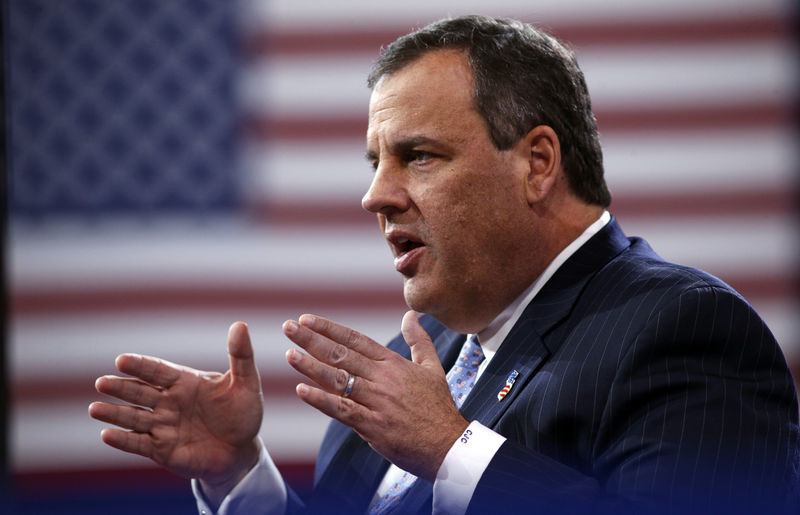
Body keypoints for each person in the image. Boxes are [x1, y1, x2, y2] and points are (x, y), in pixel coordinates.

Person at [89, 15, 800, 515]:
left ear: (537, 163)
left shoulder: (683, 330)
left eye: (418, 155)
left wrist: (450, 448)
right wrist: (241, 476)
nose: (375, 194)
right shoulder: (406, 367)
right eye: (376, 162)